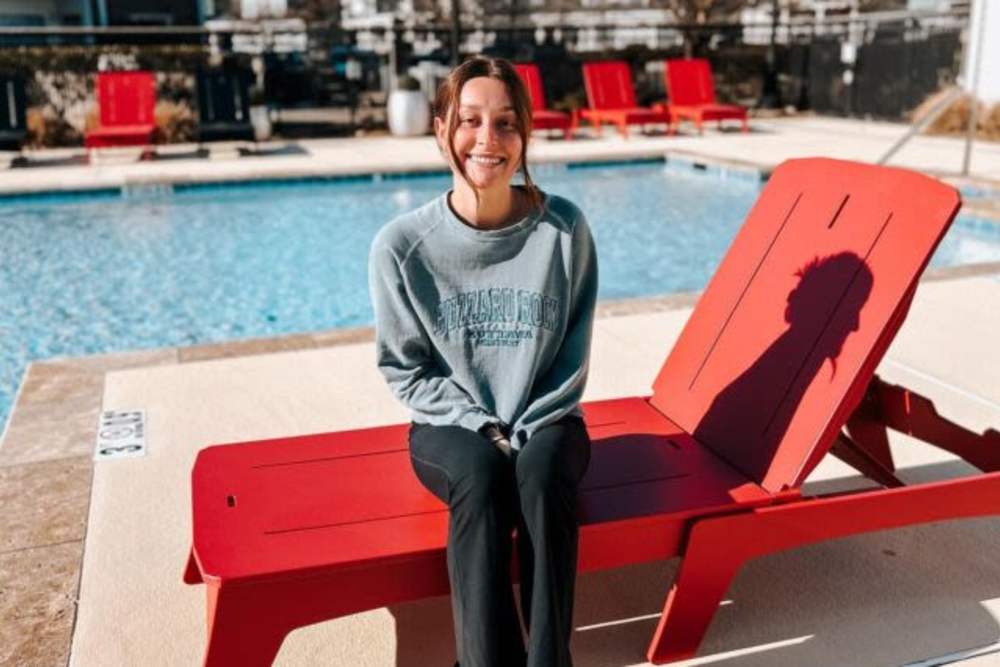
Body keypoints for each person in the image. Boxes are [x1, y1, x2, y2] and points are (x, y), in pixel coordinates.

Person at [367, 56, 598, 667]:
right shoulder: (401, 246)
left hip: (549, 419)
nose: (487, 140)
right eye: (470, 120)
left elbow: (572, 356)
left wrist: (523, 428)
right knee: (481, 478)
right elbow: (406, 369)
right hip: (450, 428)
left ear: (524, 133)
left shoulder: (564, 230)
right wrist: (485, 429)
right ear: (442, 128)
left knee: (542, 476)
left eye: (505, 123)